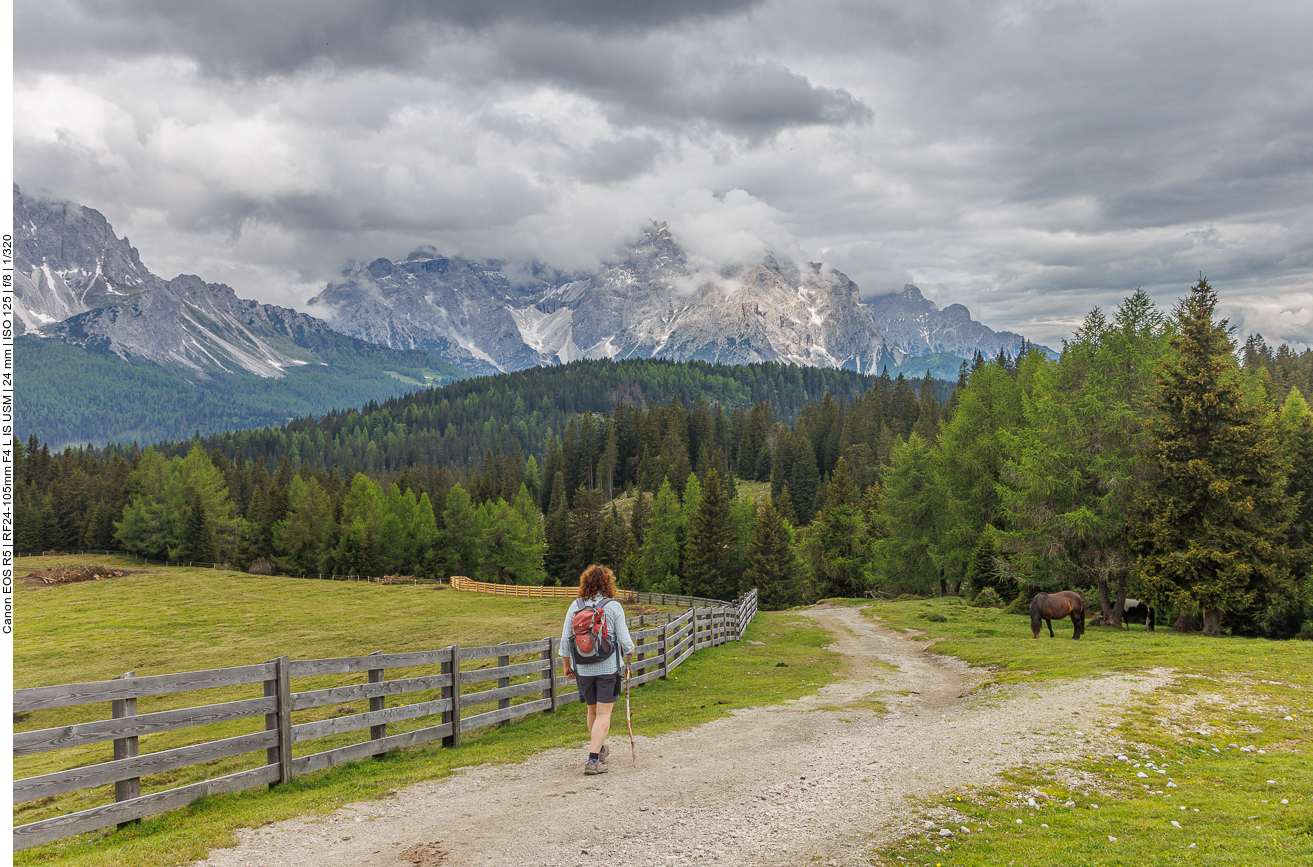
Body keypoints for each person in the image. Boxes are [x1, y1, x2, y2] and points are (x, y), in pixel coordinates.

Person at [560, 563, 634, 775]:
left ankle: (599, 748)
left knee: (592, 710)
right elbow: (625, 641)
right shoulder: (613, 606)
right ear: (608, 584)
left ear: (585, 583)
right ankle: (593, 760)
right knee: (604, 713)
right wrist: (630, 649)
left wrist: (567, 666)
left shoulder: (575, 606)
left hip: (582, 668)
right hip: (607, 667)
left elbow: (566, 640)